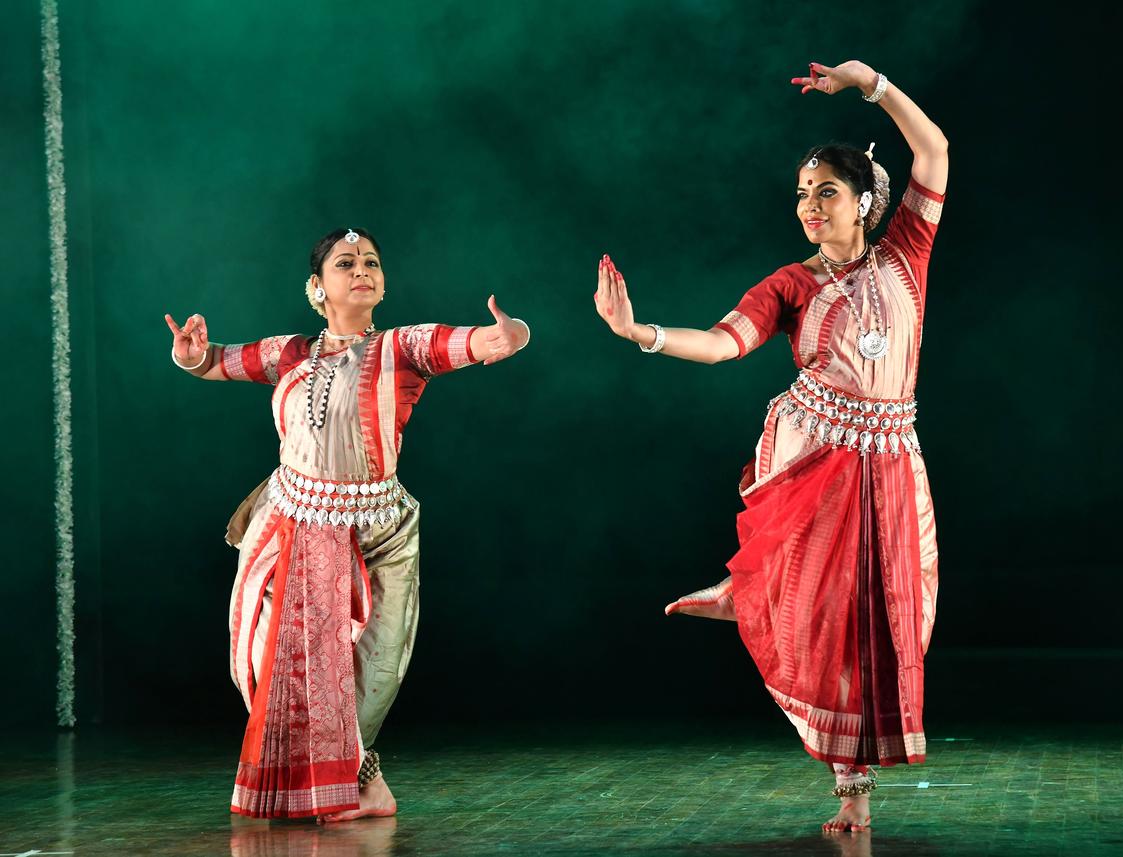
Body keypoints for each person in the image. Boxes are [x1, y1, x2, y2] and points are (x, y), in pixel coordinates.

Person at [593, 60, 948, 833]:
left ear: (866, 201)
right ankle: (761, 602)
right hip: (820, 466)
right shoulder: (789, 283)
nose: (809, 205)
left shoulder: (905, 252)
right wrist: (640, 332)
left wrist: (873, 87)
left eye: (825, 191)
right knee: (833, 620)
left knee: (894, 622)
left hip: (893, 465)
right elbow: (724, 344)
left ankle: (753, 593)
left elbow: (935, 151)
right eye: (800, 194)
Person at [165, 227, 530, 822]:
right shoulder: (289, 353)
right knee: (266, 662)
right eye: (346, 263)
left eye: (371, 262)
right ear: (317, 286)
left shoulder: (402, 347)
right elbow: (212, 364)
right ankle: (334, 784)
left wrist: (507, 337)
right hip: (293, 522)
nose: (362, 270)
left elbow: (470, 342)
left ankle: (364, 781)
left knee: (367, 673)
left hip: (378, 530)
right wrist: (191, 355)